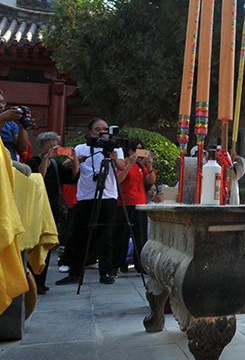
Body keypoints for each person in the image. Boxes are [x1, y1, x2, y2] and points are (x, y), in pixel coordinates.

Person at [56, 118, 125, 285]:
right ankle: (75, 272)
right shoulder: (81, 148)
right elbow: (65, 166)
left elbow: (122, 166)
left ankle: (105, 272)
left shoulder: (114, 147)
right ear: (90, 132)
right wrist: (76, 160)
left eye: (105, 129)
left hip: (107, 196)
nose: (101, 132)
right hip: (86, 196)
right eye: (97, 129)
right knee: (80, 234)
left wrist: (115, 159)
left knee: (105, 235)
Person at [26, 132, 79, 294]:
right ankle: (32, 282)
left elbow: (71, 178)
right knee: (35, 246)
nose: (53, 150)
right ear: (40, 147)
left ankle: (41, 283)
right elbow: (38, 177)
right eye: (49, 147)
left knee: (47, 246)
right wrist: (46, 159)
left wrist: (75, 161)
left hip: (52, 209)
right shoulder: (33, 162)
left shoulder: (56, 165)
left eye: (55, 147)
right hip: (36, 209)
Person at [114, 138, 156, 274]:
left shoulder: (140, 166)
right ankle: (120, 263)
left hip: (140, 203)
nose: (138, 151)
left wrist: (149, 167)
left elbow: (150, 181)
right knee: (122, 236)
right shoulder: (122, 163)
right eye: (136, 148)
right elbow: (119, 180)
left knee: (140, 235)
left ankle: (140, 265)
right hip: (125, 203)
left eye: (140, 148)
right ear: (130, 150)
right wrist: (129, 164)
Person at [0, 88, 32, 161]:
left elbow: (22, 148)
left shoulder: (10, 123)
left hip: (9, 165)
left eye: (3, 102)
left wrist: (21, 126)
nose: (1, 106)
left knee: (26, 170)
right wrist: (1, 119)